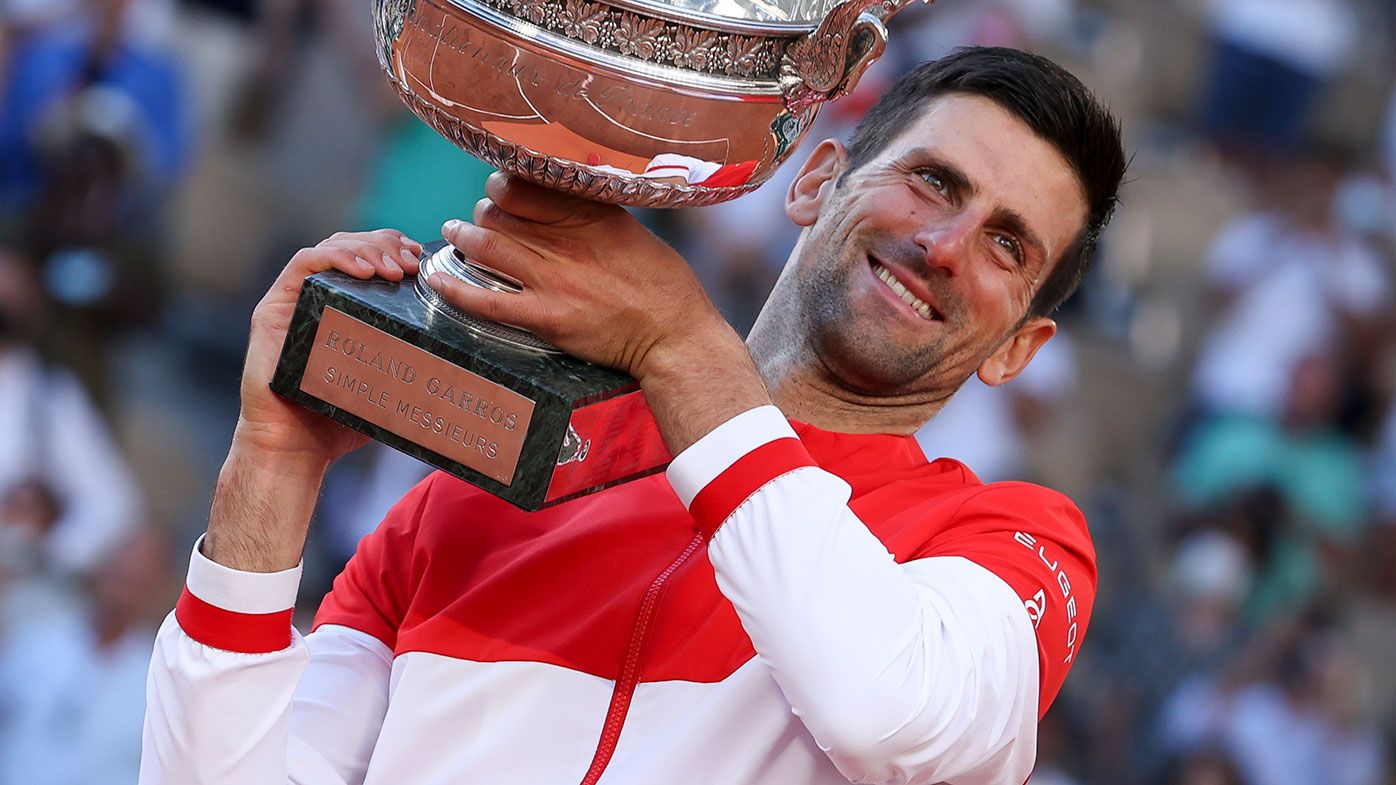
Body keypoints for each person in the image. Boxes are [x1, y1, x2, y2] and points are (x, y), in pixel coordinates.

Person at [140, 47, 1126, 785]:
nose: (946, 244)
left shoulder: (1009, 546)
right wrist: (270, 464)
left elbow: (886, 711)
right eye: (933, 179)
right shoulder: (481, 484)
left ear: (1017, 349)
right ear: (818, 181)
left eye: (1007, 245)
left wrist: (677, 343)